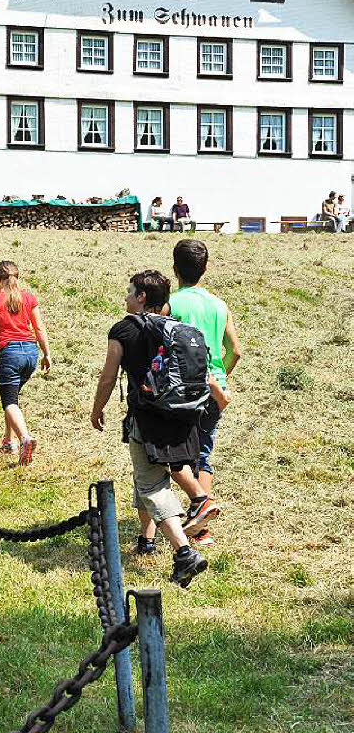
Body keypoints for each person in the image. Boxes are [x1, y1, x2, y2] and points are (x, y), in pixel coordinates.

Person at [90, 270, 212, 587]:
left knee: (152, 486)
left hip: (147, 419)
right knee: (146, 479)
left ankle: (184, 553)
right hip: (184, 417)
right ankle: (146, 541)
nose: (126, 297)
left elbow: (108, 375)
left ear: (142, 296)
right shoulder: (178, 328)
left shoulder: (124, 330)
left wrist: (97, 408)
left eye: (130, 291)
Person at [169, 239, 242, 546]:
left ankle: (196, 509)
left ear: (175, 269)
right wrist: (220, 373)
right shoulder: (219, 305)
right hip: (216, 389)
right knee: (204, 454)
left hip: (185, 389)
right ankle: (202, 529)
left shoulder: (171, 304)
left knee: (176, 452)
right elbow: (235, 351)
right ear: (205, 269)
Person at [0, 261, 52, 465]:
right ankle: (9, 441)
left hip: (9, 354)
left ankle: (25, 438)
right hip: (30, 354)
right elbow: (39, 328)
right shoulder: (28, 297)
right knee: (13, 397)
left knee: (9, 402)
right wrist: (46, 354)